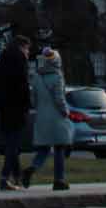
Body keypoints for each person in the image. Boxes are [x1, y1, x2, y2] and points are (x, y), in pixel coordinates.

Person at [23, 47, 74, 192]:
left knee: (44, 148)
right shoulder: (58, 76)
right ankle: (59, 180)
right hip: (57, 117)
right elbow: (59, 98)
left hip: (42, 116)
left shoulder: (37, 76)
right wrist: (66, 112)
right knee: (59, 147)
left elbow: (34, 99)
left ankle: (33, 167)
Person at [0, 35, 33, 192]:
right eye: (28, 49)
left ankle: (17, 177)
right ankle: (4, 177)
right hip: (17, 108)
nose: (28, 52)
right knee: (13, 144)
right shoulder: (20, 61)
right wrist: (27, 105)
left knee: (11, 143)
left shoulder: (2, 61)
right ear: (22, 47)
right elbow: (23, 86)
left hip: (4, 108)